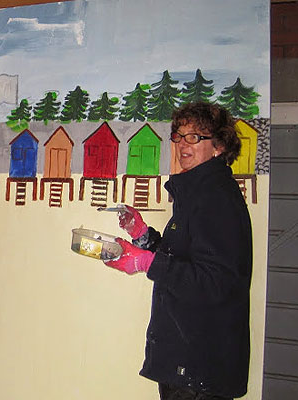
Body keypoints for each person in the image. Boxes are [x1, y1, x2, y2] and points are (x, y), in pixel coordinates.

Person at [103, 102, 253, 400]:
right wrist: (141, 234)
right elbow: (183, 260)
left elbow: (215, 283)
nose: (183, 144)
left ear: (219, 146)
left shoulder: (216, 199)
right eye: (179, 135)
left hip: (200, 368)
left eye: (195, 137)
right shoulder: (197, 193)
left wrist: (144, 263)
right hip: (188, 363)